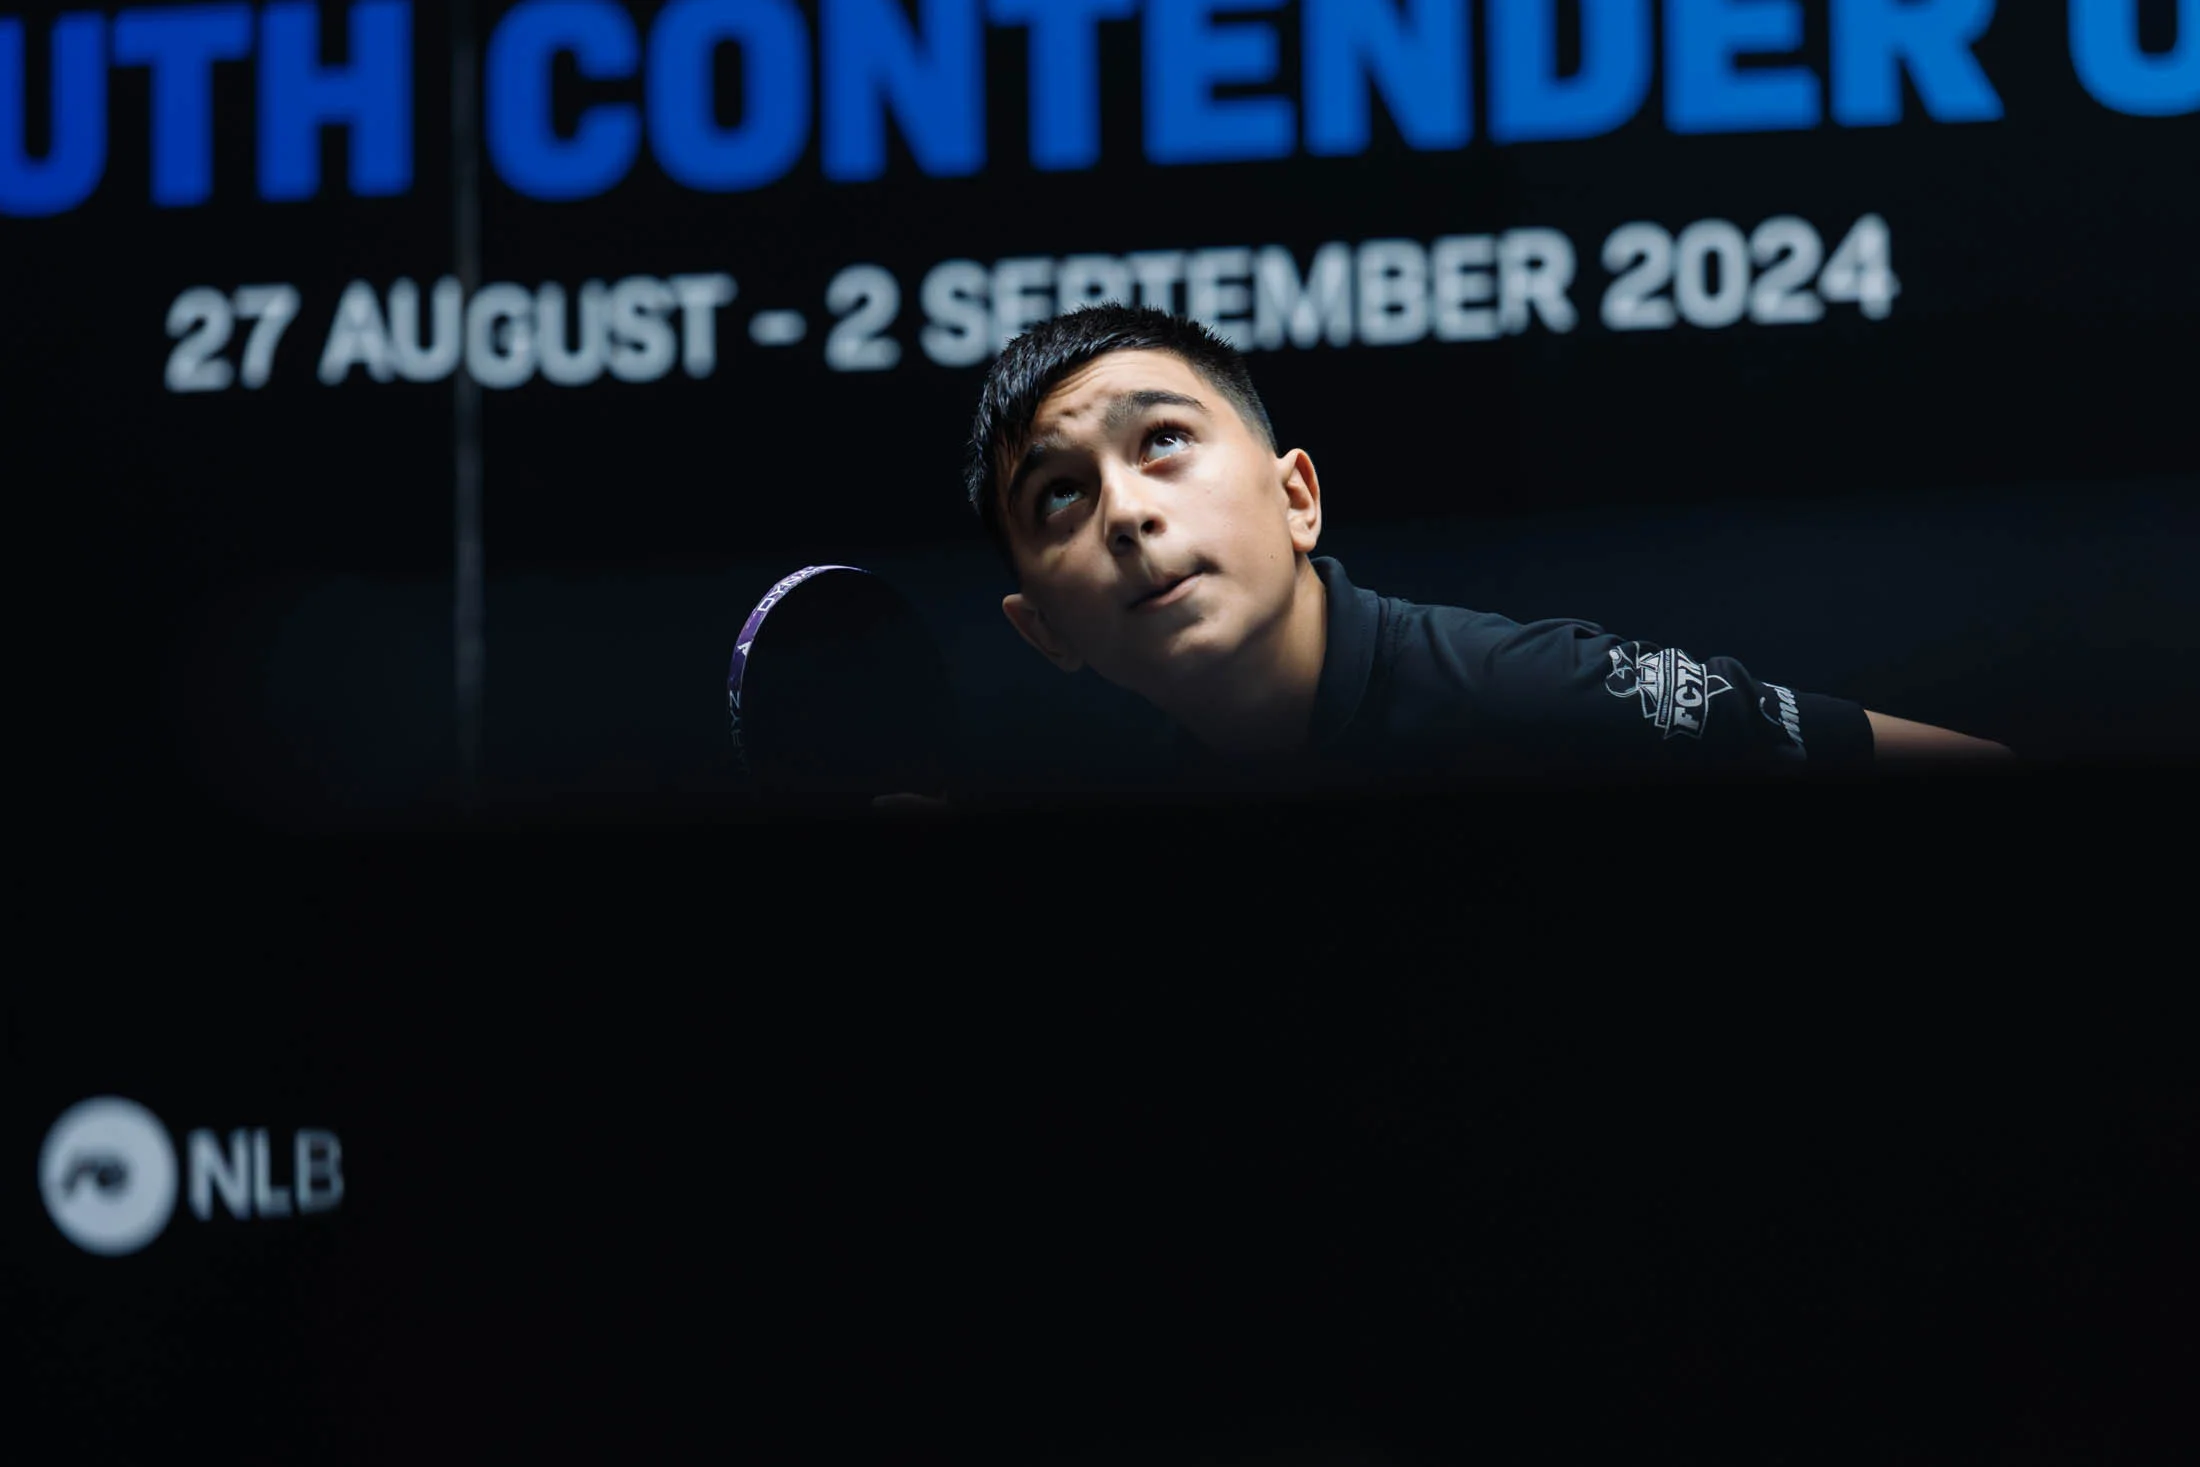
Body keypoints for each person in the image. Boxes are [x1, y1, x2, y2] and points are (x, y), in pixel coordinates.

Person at [957, 304, 2009, 797]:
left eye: (1162, 441)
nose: (1126, 513)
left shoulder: (1534, 694)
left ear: (1297, 499)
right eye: (1060, 495)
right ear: (1043, 631)